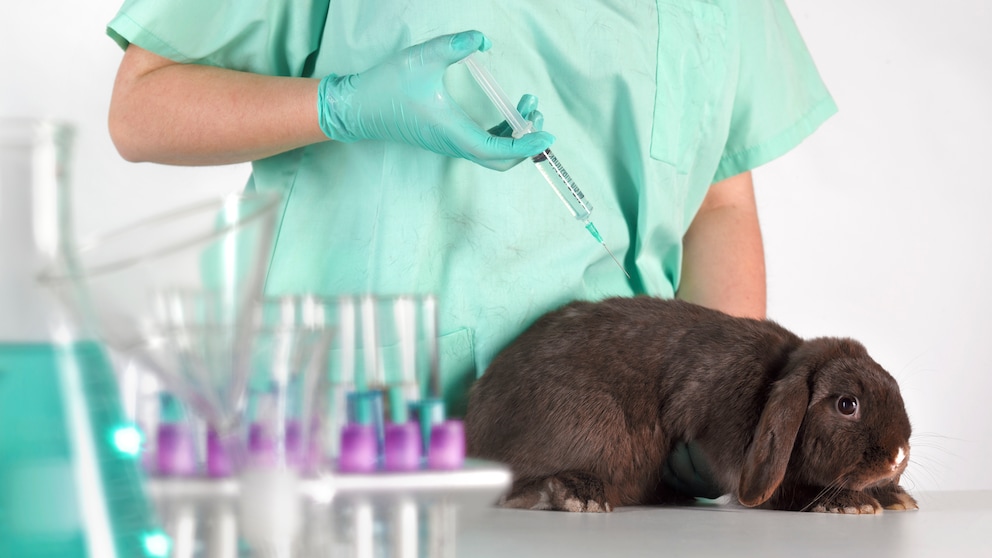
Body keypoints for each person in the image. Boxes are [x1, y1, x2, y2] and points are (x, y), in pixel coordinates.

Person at [106, 0, 835, 498]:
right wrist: (342, 103)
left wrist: (711, 425)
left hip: (610, 485)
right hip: (352, 457)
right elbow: (142, 108)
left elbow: (720, 201)